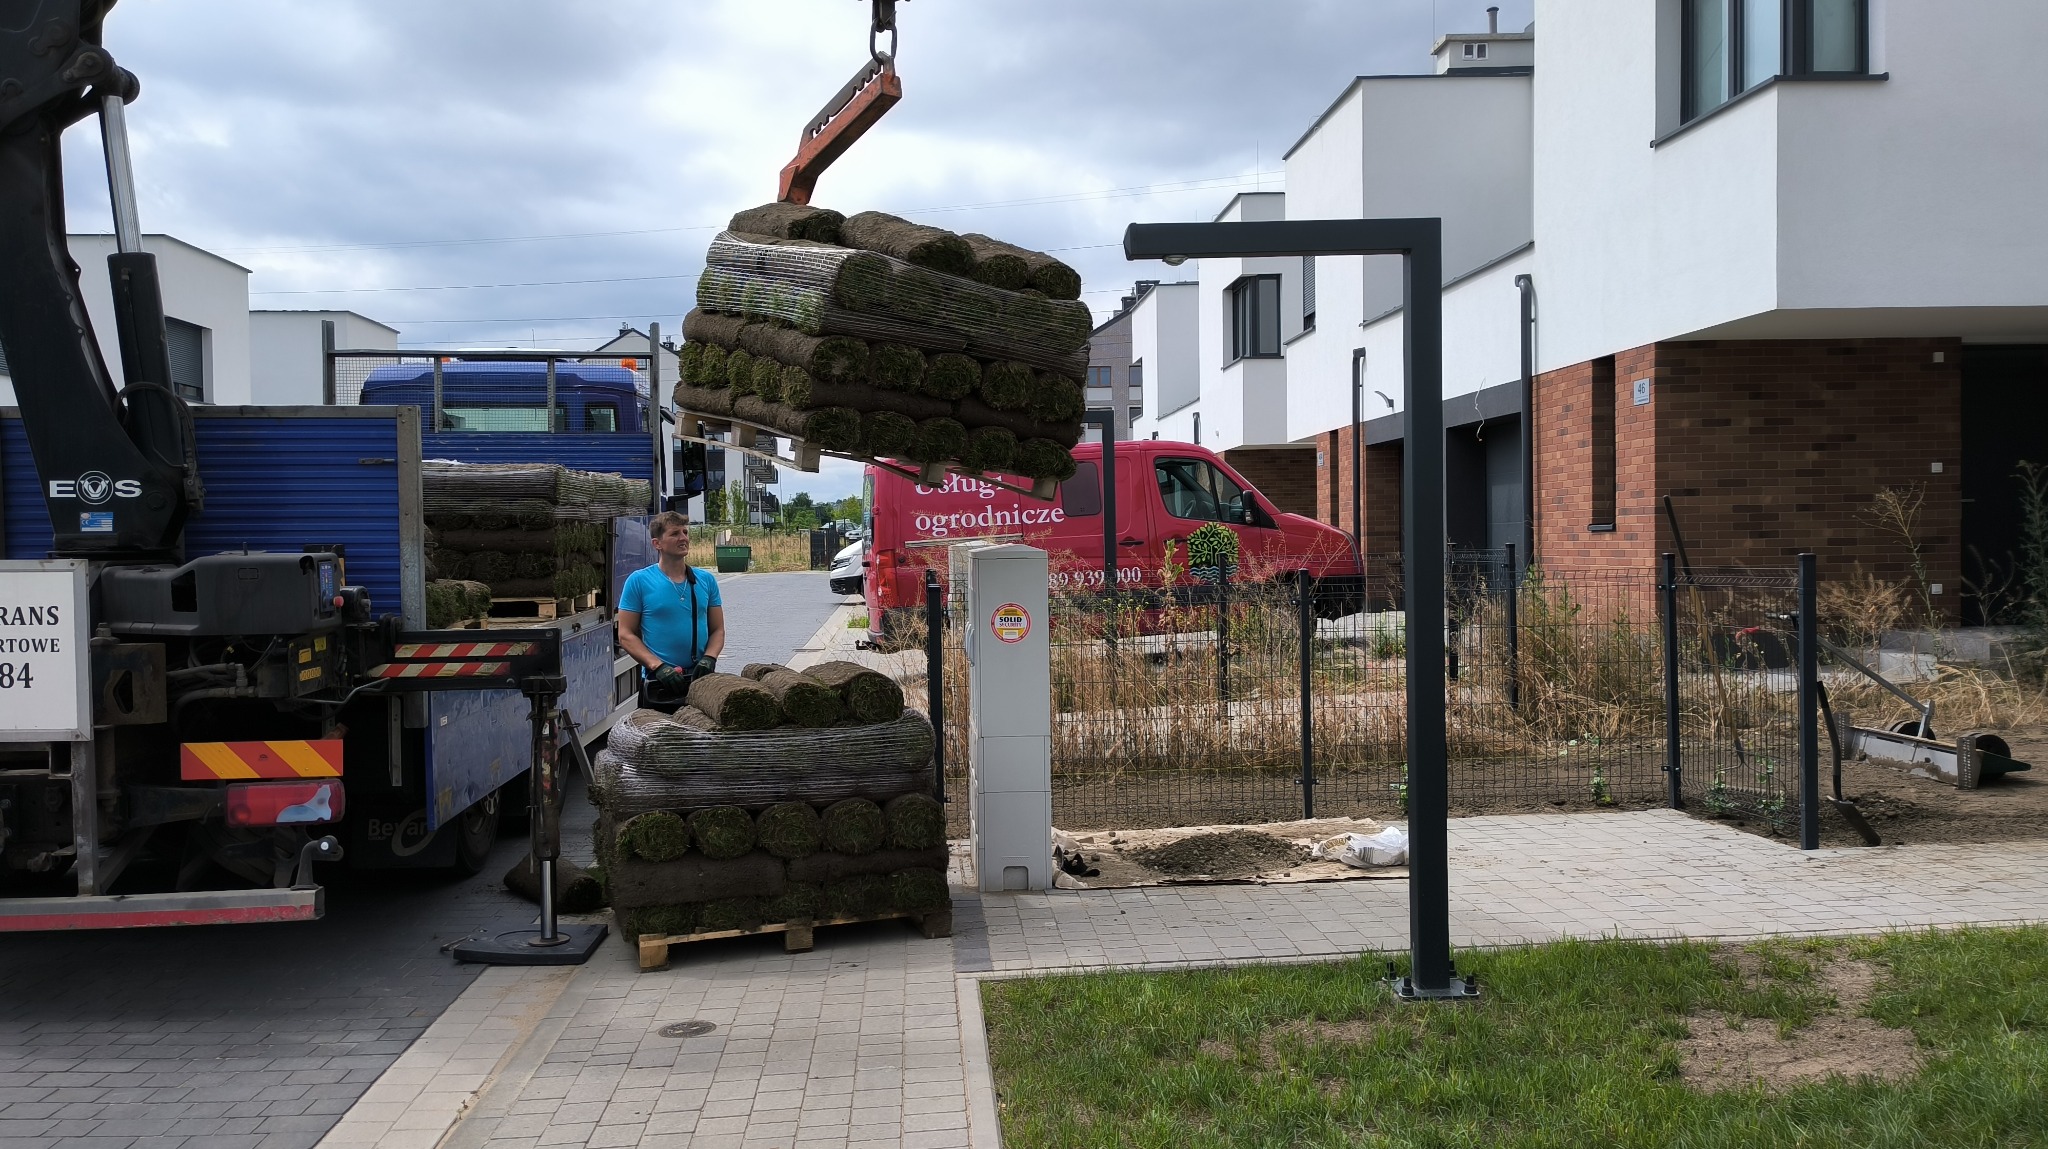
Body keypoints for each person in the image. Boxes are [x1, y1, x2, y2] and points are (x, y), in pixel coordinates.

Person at [618, 511, 725, 711]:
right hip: (659, 684)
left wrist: (710, 658)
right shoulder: (639, 581)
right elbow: (625, 634)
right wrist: (657, 666)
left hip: (700, 681)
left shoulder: (705, 580)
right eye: (675, 533)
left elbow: (718, 629)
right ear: (657, 544)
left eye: (685, 532)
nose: (683, 538)